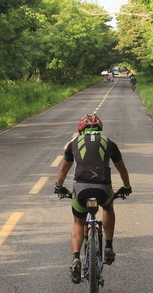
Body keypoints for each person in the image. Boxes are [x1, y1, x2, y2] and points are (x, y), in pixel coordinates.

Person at [55, 114, 132, 283]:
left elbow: (63, 170)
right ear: (100, 128)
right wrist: (126, 187)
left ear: (81, 129)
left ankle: (76, 257)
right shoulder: (109, 142)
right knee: (108, 208)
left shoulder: (73, 143)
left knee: (78, 222)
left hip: (81, 189)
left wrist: (59, 187)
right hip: (103, 188)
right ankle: (109, 247)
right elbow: (122, 169)